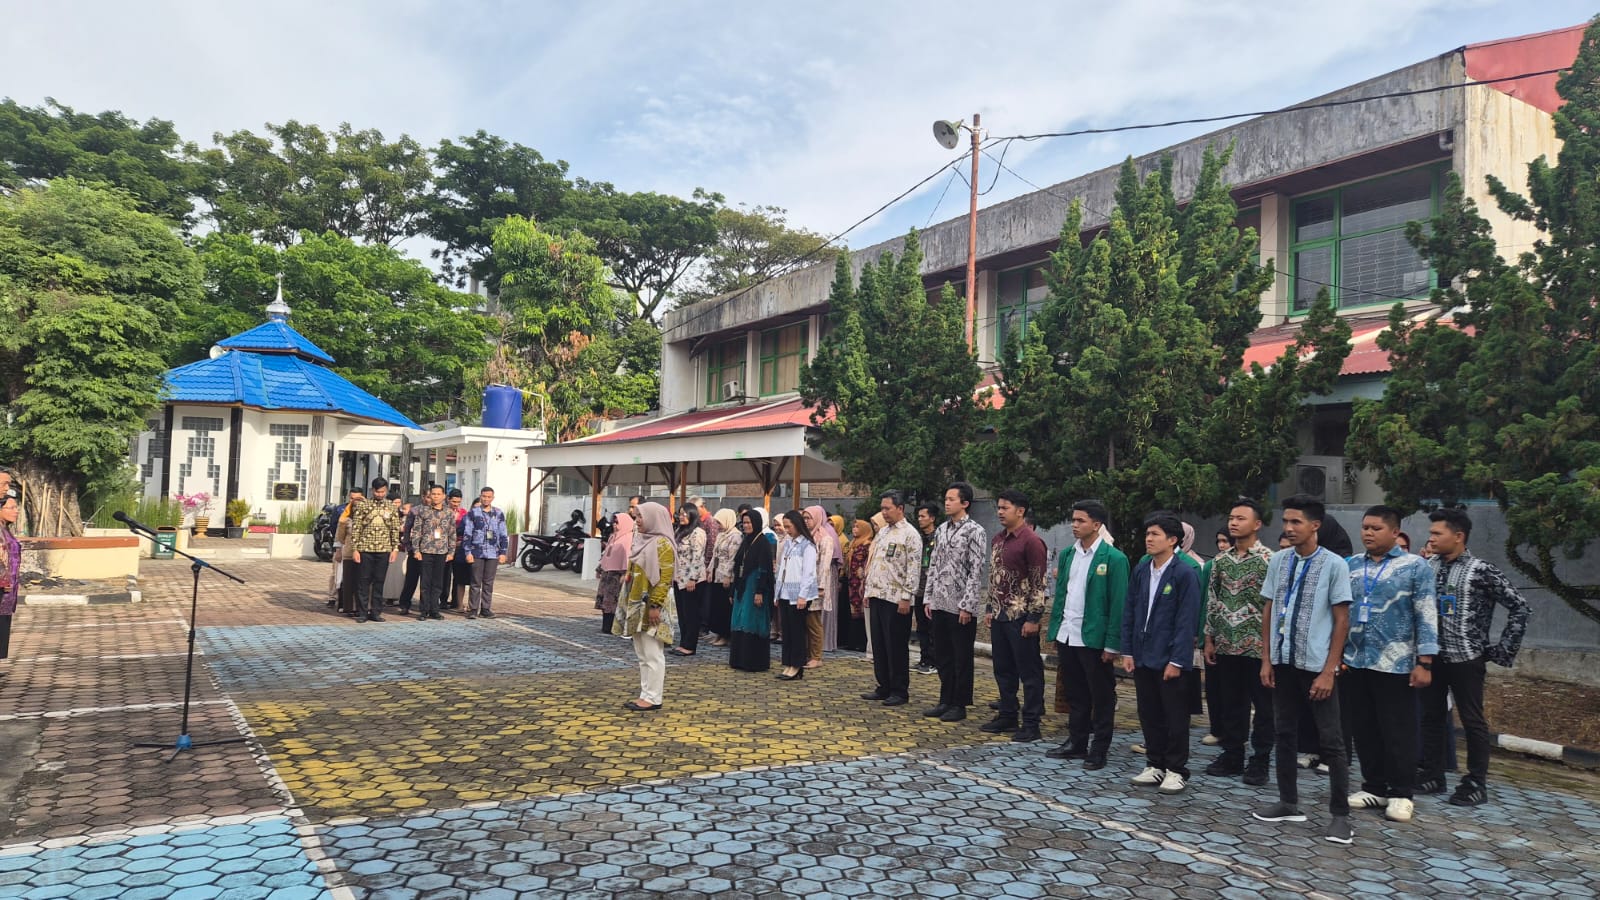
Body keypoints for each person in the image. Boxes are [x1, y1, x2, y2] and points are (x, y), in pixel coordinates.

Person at [1252, 494, 1356, 845]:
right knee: (1284, 732)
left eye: (1296, 522)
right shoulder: (1279, 560)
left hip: (1316, 666)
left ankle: (1340, 816)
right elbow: (1268, 610)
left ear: (1316, 525)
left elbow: (1342, 620)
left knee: (1332, 740)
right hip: (1283, 661)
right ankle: (1288, 802)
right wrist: (1266, 659)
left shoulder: (1334, 565)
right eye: (1286, 521)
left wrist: (1329, 670)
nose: (1289, 528)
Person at [1419, 507, 1531, 807]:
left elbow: (1520, 606)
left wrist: (1501, 650)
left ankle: (1475, 783)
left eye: (1437, 533)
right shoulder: (1427, 567)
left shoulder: (1482, 570)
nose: (1431, 538)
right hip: (1431, 657)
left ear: (1458, 536)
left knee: (1472, 720)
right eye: (1430, 533)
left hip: (1466, 659)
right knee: (1431, 716)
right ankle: (1432, 774)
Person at [1342, 505, 1439, 824]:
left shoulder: (1415, 566)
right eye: (1365, 527)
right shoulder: (1352, 565)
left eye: (1376, 528)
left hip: (1395, 663)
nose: (1368, 533)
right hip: (1356, 660)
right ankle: (1374, 786)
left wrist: (1425, 661)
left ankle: (1401, 793)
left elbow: (1426, 613)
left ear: (1395, 532)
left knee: (1398, 729)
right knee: (1364, 727)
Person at [1121, 512, 1203, 795]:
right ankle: (1154, 764)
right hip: (1143, 655)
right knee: (1149, 713)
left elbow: (1187, 620)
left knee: (1175, 716)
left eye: (1155, 534)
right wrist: (1127, 650)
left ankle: (1176, 770)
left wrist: (1177, 660)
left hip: (1170, 658)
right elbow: (1130, 610)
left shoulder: (1185, 573)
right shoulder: (1142, 569)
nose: (1149, 539)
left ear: (1172, 540)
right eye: (1147, 534)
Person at [1046, 499, 1130, 770]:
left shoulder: (1114, 558)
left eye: (1080, 521)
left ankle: (1099, 749)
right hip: (1068, 634)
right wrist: (1056, 630)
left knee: (1101, 696)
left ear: (1096, 524)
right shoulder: (1068, 554)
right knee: (1075, 693)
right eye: (1073, 520)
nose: (1074, 525)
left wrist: (1112, 644)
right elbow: (1062, 594)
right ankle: (1077, 741)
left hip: (1095, 638)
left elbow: (1119, 604)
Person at [1202, 499, 1276, 786]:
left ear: (1257, 524)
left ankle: (1260, 761)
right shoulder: (1220, 560)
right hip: (1226, 644)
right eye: (1231, 517)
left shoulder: (1270, 560)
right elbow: (1213, 599)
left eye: (1241, 518)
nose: (1233, 523)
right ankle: (1232, 755)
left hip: (1258, 647)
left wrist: (1271, 649)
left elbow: (1275, 605)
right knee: (1232, 703)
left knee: (1264, 708)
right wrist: (1209, 638)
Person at [981, 489, 1049, 743]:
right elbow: (994, 577)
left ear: (1020, 511)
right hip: (1000, 615)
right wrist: (990, 608)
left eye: (1005, 508)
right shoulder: (998, 539)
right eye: (998, 507)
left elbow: (1039, 583)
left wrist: (1034, 618)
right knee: (1003, 669)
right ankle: (1007, 714)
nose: (1000, 512)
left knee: (1029, 673)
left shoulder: (1032, 541)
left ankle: (1031, 723)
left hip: (1021, 617)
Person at [923, 482, 988, 724]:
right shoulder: (941, 529)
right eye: (946, 498)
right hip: (940, 601)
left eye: (952, 499)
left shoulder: (975, 531)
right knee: (942, 654)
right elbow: (934, 565)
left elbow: (976, 570)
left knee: (961, 657)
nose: (947, 503)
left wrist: (968, 605)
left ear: (965, 503)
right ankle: (945, 699)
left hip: (960, 604)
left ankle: (960, 703)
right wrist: (929, 597)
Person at [861, 491, 922, 707]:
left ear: (900, 508)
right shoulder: (883, 532)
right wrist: (868, 592)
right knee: (879, 644)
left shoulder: (910, 534)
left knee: (895, 646)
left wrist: (906, 597)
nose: (884, 512)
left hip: (896, 599)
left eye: (888, 508)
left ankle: (899, 690)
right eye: (882, 508)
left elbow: (913, 569)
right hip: (877, 594)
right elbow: (874, 563)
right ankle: (883, 686)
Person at [617, 502, 677, 710]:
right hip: (636, 603)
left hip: (652, 605)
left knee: (653, 654)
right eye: (636, 517)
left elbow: (664, 579)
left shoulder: (663, 544)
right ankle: (645, 694)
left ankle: (653, 698)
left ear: (654, 518)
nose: (637, 521)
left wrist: (655, 606)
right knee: (642, 654)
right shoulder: (641, 539)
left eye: (641, 516)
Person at [729, 508, 777, 672]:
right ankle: (739, 660)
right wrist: (733, 590)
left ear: (756, 523)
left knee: (752, 620)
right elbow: (738, 566)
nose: (746, 525)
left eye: (749, 522)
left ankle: (753, 661)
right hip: (742, 587)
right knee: (739, 620)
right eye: (744, 523)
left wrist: (759, 591)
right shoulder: (746, 541)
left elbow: (764, 569)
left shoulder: (763, 542)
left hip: (755, 587)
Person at [348, 478, 401, 623]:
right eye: (377, 492)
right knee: (363, 581)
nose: (380, 494)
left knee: (379, 581)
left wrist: (395, 549)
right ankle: (362, 612)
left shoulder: (391, 506)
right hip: (365, 548)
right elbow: (356, 528)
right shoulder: (363, 505)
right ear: (372, 490)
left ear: (386, 490)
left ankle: (376, 612)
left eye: (382, 491)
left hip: (384, 549)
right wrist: (355, 549)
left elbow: (395, 528)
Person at [775, 510, 819, 681]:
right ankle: (788, 663)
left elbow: (809, 573)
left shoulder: (807, 546)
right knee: (787, 630)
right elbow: (782, 569)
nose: (787, 530)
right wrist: (777, 592)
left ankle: (797, 664)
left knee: (797, 631)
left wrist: (803, 595)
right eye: (785, 527)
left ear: (797, 525)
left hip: (798, 595)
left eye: (789, 527)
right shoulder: (788, 543)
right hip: (785, 592)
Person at [407, 485, 456, 622]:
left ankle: (435, 610)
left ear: (444, 496)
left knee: (438, 582)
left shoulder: (449, 512)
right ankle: (424, 610)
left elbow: (452, 533)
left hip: (442, 552)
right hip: (426, 551)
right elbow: (416, 531)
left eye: (438, 494)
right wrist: (416, 550)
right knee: (425, 582)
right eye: (433, 494)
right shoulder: (423, 511)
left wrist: (451, 551)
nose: (436, 496)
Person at [802, 505, 841, 669]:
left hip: (817, 586)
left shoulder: (825, 538)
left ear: (817, 518)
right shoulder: (807, 536)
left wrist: (820, 587)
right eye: (804, 518)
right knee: (805, 622)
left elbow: (824, 565)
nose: (806, 521)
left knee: (814, 622)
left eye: (809, 518)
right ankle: (807, 654)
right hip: (804, 585)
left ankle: (816, 656)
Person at [461, 487, 509, 619]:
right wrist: (468, 552)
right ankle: (473, 609)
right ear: (480, 496)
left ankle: (485, 609)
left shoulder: (498, 513)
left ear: (493, 498)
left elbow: (503, 534)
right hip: (477, 552)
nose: (486, 499)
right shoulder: (473, 513)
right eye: (484, 496)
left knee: (488, 582)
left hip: (493, 553)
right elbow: (467, 534)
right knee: (475, 582)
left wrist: (503, 552)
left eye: (489, 497)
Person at [671, 503, 708, 656]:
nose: (681, 517)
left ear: (692, 515)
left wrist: (693, 578)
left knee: (691, 613)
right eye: (680, 514)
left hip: (692, 579)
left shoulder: (698, 533)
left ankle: (690, 645)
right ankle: (683, 642)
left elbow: (697, 557)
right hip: (679, 578)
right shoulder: (680, 531)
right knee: (682, 613)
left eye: (684, 514)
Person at [595, 509, 634, 635]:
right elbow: (606, 554)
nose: (614, 525)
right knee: (606, 601)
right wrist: (600, 568)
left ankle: (614, 627)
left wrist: (625, 573)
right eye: (614, 522)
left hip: (618, 575)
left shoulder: (628, 538)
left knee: (614, 602)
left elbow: (627, 557)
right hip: (608, 574)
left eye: (617, 522)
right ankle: (606, 626)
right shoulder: (613, 536)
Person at [706, 508, 740, 647]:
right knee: (717, 606)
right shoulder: (721, 535)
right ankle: (719, 633)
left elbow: (733, 558)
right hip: (717, 573)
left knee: (725, 607)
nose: (718, 526)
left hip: (726, 576)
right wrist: (710, 571)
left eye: (719, 523)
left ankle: (726, 635)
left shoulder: (735, 536)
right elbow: (715, 554)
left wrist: (728, 576)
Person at [841, 518, 873, 652]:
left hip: (861, 583)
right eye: (853, 527)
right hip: (851, 582)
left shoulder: (867, 544)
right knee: (852, 612)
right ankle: (852, 641)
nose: (854, 529)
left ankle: (861, 642)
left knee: (861, 612)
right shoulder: (853, 544)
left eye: (857, 527)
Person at [0, 495, 21, 671]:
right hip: (2, 584)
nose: (16, 511)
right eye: (11, 508)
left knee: (2, 625)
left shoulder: (5, 529)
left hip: (8, 588)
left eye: (16, 507)